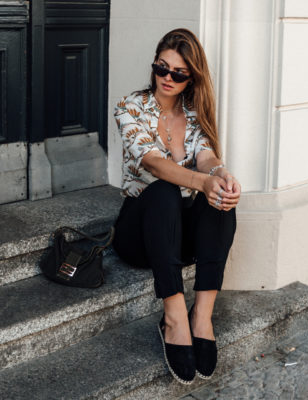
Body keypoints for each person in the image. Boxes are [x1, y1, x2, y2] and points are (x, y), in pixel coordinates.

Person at [112, 28, 241, 385]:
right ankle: (173, 317)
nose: (168, 78)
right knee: (165, 189)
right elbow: (153, 163)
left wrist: (220, 176)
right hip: (140, 235)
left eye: (179, 73)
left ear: (191, 77)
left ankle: (201, 315)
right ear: (154, 65)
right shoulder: (129, 106)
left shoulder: (194, 115)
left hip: (179, 237)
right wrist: (202, 182)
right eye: (162, 68)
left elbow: (206, 157)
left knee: (221, 200)